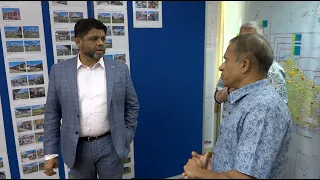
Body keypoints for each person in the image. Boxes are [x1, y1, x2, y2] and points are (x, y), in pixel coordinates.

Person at [183, 33, 292, 179]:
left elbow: (245, 177)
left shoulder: (263, 108)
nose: (221, 67)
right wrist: (212, 165)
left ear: (244, 65)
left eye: (226, 60)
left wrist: (197, 172)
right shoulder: (244, 100)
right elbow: (240, 159)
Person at [43, 18, 139, 179]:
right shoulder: (59, 72)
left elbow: (132, 106)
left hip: (111, 145)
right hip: (76, 148)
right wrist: (50, 153)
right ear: (78, 42)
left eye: (102, 38)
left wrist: (126, 135)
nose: (100, 43)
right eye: (94, 39)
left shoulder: (120, 70)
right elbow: (52, 113)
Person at [215, 21, 288, 119]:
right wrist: (229, 92)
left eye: (251, 39)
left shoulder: (274, 71)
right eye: (241, 40)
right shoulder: (231, 68)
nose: (245, 45)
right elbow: (217, 96)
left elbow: (278, 111)